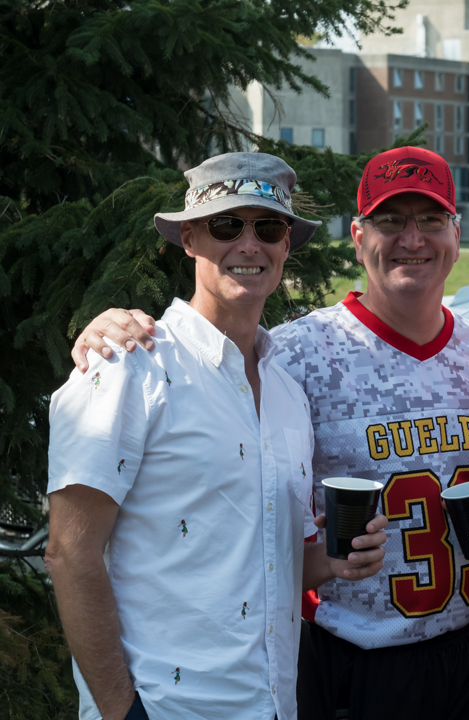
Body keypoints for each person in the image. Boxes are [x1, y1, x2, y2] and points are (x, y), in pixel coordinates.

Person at [69, 146, 469, 720]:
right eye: (390, 220)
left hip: (465, 652)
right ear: (357, 235)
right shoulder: (293, 358)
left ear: (456, 232)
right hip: (342, 660)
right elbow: (73, 549)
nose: (412, 238)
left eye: (431, 220)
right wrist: (110, 329)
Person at [47, 153, 387, 720]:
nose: (249, 244)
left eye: (269, 227)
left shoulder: (287, 392)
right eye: (228, 225)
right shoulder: (128, 367)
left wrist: (334, 561)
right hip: (167, 707)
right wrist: (120, 711)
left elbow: (278, 558)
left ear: (285, 245)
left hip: (274, 704)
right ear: (189, 238)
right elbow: (69, 552)